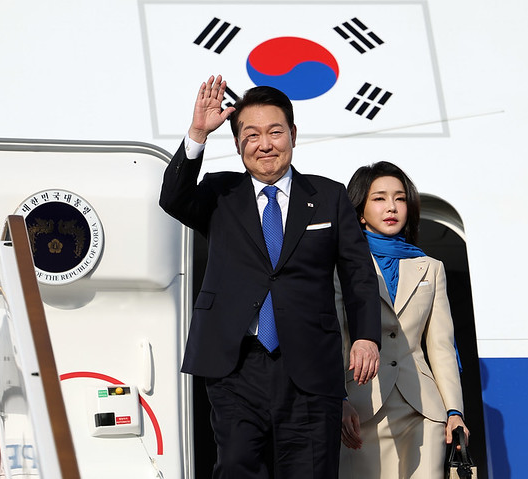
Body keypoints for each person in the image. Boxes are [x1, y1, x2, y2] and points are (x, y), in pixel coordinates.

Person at [159, 75, 382, 479]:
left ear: (293, 134)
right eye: (251, 134)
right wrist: (197, 134)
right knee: (237, 467)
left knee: (311, 470)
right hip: (235, 364)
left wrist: (366, 336)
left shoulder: (328, 197)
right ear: (238, 142)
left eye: (275, 132)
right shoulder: (219, 193)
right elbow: (172, 198)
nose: (264, 144)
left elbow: (358, 275)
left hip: (311, 367)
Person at [337, 161, 469, 479]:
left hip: (424, 408)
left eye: (400, 198)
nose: (392, 207)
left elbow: (441, 345)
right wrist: (337, 399)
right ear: (359, 209)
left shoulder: (430, 267)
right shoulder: (338, 265)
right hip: (360, 405)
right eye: (380, 198)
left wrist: (455, 411)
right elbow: (336, 337)